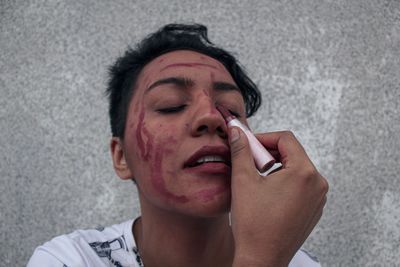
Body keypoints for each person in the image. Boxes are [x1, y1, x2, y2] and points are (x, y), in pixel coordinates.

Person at [28, 23, 328, 267]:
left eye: (231, 110)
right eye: (171, 105)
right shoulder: (70, 260)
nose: (211, 117)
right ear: (121, 157)